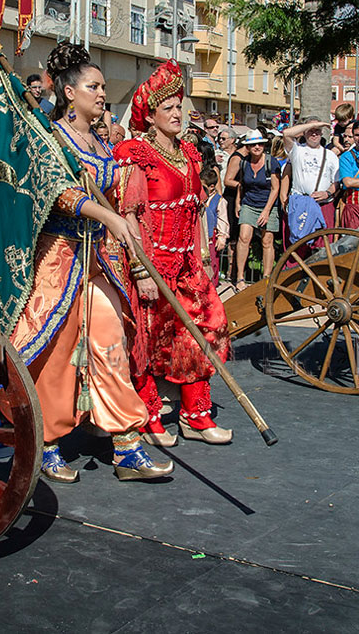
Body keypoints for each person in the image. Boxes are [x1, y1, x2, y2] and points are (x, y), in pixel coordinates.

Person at [10, 41, 173, 483]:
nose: (102, 94)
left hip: (99, 258)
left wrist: (137, 259)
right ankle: (43, 441)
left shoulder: (102, 145)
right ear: (69, 92)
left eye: (102, 86)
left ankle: (126, 446)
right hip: (58, 258)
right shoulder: (51, 139)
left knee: (109, 340)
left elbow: (125, 206)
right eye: (94, 86)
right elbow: (58, 191)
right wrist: (106, 214)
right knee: (57, 351)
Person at [114, 59, 232, 446]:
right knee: (147, 340)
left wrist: (201, 256)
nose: (178, 113)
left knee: (201, 331)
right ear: (150, 116)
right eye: (169, 108)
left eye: (180, 106)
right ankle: (148, 415)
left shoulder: (190, 154)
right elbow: (127, 215)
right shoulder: (135, 153)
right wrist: (140, 268)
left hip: (187, 263)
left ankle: (196, 414)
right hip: (152, 262)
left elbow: (197, 209)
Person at [228, 130, 281, 289]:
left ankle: (266, 278)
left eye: (259, 144)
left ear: (264, 145)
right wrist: (238, 202)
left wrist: (266, 211)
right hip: (249, 203)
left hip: (268, 204)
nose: (257, 147)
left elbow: (275, 188)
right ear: (248, 147)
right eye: (253, 144)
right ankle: (240, 278)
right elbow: (241, 184)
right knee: (244, 237)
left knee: (267, 240)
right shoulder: (244, 162)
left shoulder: (272, 162)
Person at [282, 117, 340, 231]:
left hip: (323, 204)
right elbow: (286, 133)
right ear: (304, 132)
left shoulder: (330, 155)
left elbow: (337, 181)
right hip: (301, 204)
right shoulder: (297, 150)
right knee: (299, 245)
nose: (314, 134)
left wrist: (327, 193)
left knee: (323, 244)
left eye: (317, 130)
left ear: (322, 133)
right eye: (310, 130)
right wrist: (320, 123)